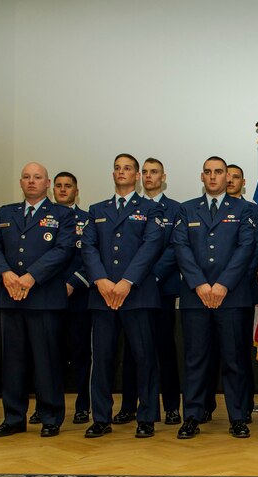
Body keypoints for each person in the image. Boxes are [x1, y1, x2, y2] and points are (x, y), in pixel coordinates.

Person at [0, 162, 75, 437]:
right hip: (11, 297)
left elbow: (63, 249)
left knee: (46, 362)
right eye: (26, 177)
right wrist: (6, 275)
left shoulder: (62, 214)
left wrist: (31, 277)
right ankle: (13, 417)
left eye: (37, 177)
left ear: (47, 183)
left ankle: (50, 417)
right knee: (13, 362)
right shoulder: (5, 212)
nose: (31, 181)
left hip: (44, 298)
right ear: (21, 182)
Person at [80, 153, 165, 438]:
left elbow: (151, 246)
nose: (121, 172)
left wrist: (127, 282)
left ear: (137, 176)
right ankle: (101, 418)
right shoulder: (97, 209)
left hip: (137, 295)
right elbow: (88, 247)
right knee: (102, 360)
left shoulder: (151, 209)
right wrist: (101, 280)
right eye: (117, 168)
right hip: (103, 296)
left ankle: (146, 417)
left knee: (144, 358)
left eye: (127, 168)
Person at [172, 156, 256, 439]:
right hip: (195, 297)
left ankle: (237, 418)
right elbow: (181, 248)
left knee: (234, 360)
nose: (213, 176)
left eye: (218, 172)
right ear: (202, 176)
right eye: (207, 172)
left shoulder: (244, 210)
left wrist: (222, 285)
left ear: (227, 177)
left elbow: (245, 248)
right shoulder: (186, 209)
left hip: (231, 297)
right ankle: (192, 417)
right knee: (196, 360)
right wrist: (199, 284)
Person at [114, 158, 182, 426]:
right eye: (145, 172)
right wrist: (133, 278)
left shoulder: (175, 209)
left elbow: (175, 248)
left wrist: (151, 275)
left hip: (161, 288)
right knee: (133, 352)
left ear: (163, 177)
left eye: (155, 172)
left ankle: (172, 407)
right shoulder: (132, 208)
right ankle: (129, 405)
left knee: (165, 348)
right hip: (132, 290)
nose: (149, 176)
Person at [198, 164, 258, 424]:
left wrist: (230, 284)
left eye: (236, 177)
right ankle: (204, 406)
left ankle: (242, 407)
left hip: (238, 293)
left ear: (241, 182)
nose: (231, 181)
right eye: (230, 176)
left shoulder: (252, 211)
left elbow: (254, 252)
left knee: (237, 355)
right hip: (205, 294)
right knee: (207, 354)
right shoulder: (200, 209)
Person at [52, 171, 92, 424]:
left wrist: (72, 284)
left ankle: (82, 406)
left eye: (68, 186)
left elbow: (91, 257)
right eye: (59, 185)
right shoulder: (43, 218)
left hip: (79, 297)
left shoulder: (88, 220)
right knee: (49, 356)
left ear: (76, 191)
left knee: (81, 355)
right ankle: (47, 406)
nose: (63, 189)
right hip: (47, 297)